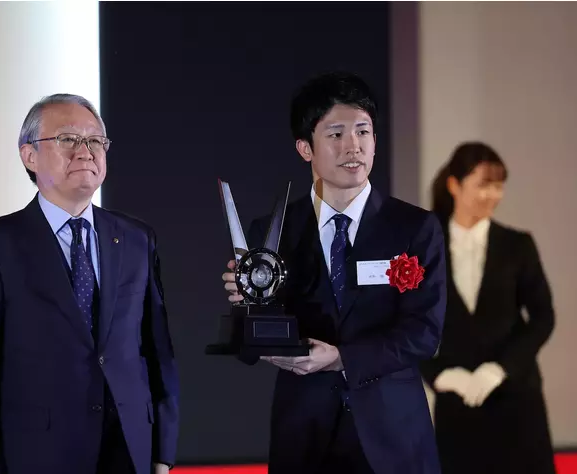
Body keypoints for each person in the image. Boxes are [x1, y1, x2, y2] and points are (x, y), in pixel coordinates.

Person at [222, 72, 447, 474]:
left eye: (363, 131)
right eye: (336, 134)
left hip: (393, 434)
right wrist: (247, 308)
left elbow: (424, 335)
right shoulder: (273, 232)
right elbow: (248, 347)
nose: (353, 146)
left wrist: (343, 358)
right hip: (305, 433)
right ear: (305, 148)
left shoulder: (414, 227)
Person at [0, 94, 178, 474]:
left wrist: (162, 453)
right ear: (29, 156)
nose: (85, 151)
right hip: (38, 455)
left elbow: (158, 352)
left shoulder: (137, 239)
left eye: (95, 140)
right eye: (68, 139)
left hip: (128, 449)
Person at [420, 142, 556, 474]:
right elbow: (404, 322)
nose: (492, 195)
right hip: (457, 404)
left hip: (516, 398)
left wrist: (499, 369)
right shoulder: (424, 248)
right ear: (454, 185)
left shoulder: (517, 245)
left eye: (498, 186)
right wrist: (439, 374)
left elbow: (543, 317)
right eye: (483, 185)